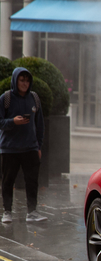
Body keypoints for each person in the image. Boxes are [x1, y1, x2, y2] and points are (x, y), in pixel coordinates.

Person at [0, 67, 46, 223]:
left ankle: (32, 212)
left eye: (27, 80)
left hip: (30, 148)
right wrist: (13, 121)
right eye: (22, 80)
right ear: (15, 80)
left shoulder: (34, 98)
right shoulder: (5, 98)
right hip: (10, 148)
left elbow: (40, 124)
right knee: (8, 181)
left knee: (32, 181)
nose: (25, 83)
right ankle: (7, 212)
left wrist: (38, 146)